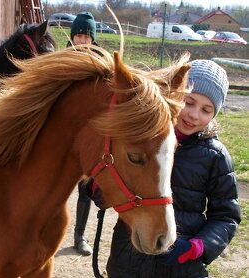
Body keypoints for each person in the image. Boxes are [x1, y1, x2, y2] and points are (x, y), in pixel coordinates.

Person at [93, 59, 241, 277]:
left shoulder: (215, 156)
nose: (194, 114)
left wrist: (197, 247)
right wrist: (100, 187)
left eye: (206, 110)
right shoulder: (146, 140)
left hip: (182, 267)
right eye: (188, 103)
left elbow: (226, 216)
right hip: (129, 259)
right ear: (174, 98)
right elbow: (108, 187)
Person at [68, 11, 99, 256]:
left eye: (85, 36)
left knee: (85, 188)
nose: (81, 41)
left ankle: (80, 236)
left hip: (88, 135)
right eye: (78, 35)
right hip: (64, 134)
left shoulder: (100, 61)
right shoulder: (62, 58)